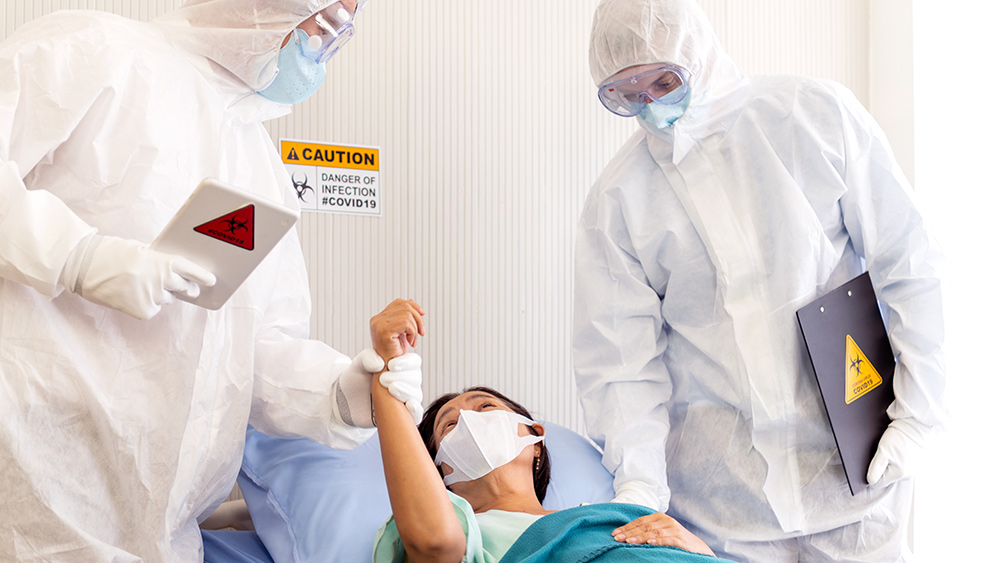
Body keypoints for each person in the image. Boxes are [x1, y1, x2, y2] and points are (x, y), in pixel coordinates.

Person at [0, 1, 424, 561]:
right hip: (35, 478)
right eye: (324, 24)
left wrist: (339, 393)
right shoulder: (95, 51)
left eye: (341, 31)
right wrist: (80, 257)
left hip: (165, 528)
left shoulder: (259, 165)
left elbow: (255, 344)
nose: (323, 50)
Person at [573, 0, 945, 561]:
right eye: (629, 95)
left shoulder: (814, 117)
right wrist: (639, 490)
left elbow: (909, 264)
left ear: (698, 53)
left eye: (665, 82)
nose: (652, 108)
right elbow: (620, 365)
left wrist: (918, 416)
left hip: (858, 481)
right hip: (721, 508)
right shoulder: (618, 200)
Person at [371, 381, 732, 562]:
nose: (469, 420)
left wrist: (700, 550)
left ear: (536, 440)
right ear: (437, 472)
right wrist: (385, 386)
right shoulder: (459, 530)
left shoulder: (605, 517)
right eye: (449, 426)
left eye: (486, 408)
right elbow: (433, 543)